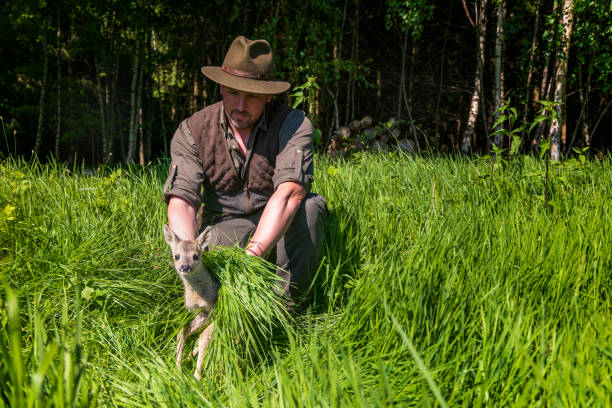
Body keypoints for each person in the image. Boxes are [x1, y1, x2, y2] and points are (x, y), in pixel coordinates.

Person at [163, 36, 327, 304]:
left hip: (279, 219)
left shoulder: (293, 125)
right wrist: (188, 252)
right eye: (233, 92)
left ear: (268, 95)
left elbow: (289, 194)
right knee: (211, 262)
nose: (240, 106)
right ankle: (220, 308)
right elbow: (182, 199)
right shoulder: (193, 130)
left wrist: (250, 260)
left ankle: (287, 308)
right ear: (221, 88)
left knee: (310, 209)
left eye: (252, 95)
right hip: (225, 223)